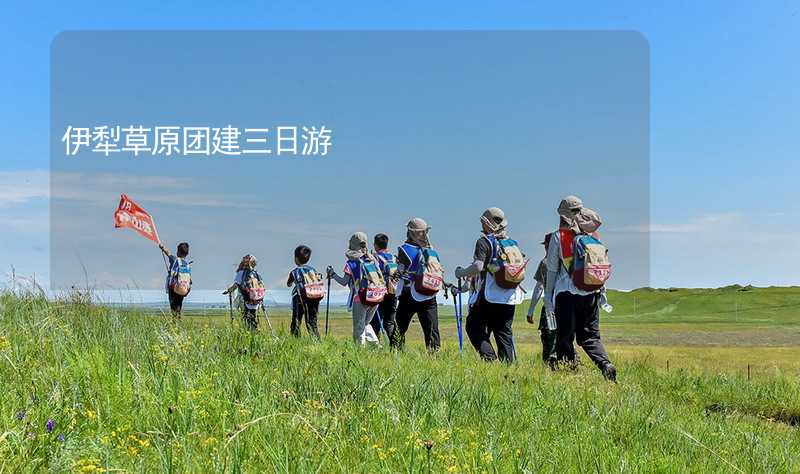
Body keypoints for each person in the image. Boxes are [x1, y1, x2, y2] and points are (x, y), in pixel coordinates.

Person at [543, 196, 617, 382]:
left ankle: (569, 376)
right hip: (592, 292)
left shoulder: (558, 237)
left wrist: (548, 297)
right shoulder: (594, 237)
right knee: (590, 337)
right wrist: (602, 293)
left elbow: (551, 270)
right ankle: (605, 364)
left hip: (566, 295)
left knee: (565, 337)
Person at [455, 208, 525, 362]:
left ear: (486, 223)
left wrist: (461, 273)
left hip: (490, 295)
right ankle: (508, 369)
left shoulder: (484, 242)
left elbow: (478, 267)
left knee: (473, 327)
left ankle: (489, 359)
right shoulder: (512, 243)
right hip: (510, 296)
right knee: (504, 333)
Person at [394, 218, 443, 353]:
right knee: (432, 329)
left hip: (409, 293)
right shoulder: (431, 250)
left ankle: (396, 353)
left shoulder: (404, 250)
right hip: (429, 292)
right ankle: (434, 355)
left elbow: (400, 270)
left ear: (410, 232)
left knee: (400, 327)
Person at [327, 232, 382, 346]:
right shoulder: (372, 259)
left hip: (360, 297)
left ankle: (359, 350)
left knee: (359, 327)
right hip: (376, 296)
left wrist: (332, 274)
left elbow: (344, 282)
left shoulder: (350, 263)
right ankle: (375, 345)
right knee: (366, 323)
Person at [527, 234, 557, 366]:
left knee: (548, 337)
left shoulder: (545, 263)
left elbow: (539, 287)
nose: (545, 247)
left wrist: (531, 310)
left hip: (550, 307)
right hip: (566, 305)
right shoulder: (566, 261)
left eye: (546, 245)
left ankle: (549, 365)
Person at [287, 245, 322, 340]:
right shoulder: (313, 270)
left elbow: (289, 284)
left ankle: (295, 341)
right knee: (312, 322)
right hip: (314, 298)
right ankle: (317, 341)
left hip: (300, 298)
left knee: (296, 320)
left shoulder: (294, 272)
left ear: (296, 258)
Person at [370, 233, 400, 345]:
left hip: (381, 293)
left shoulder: (376, 258)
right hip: (393, 292)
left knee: (375, 321)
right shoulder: (393, 257)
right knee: (390, 321)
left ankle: (375, 347)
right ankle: (396, 347)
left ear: (375, 245)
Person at [224, 254, 264, 330]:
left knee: (245, 317)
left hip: (244, 299)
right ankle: (254, 330)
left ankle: (247, 331)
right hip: (256, 300)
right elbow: (262, 285)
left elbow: (236, 285)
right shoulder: (256, 274)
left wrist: (228, 291)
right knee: (254, 316)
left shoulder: (241, 273)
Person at [159, 242, 190, 320]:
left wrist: (162, 247)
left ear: (178, 252)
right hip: (183, 288)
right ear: (187, 253)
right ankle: (177, 321)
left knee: (173, 308)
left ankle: (175, 324)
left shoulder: (175, 260)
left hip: (173, 288)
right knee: (179, 305)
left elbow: (168, 253)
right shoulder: (186, 264)